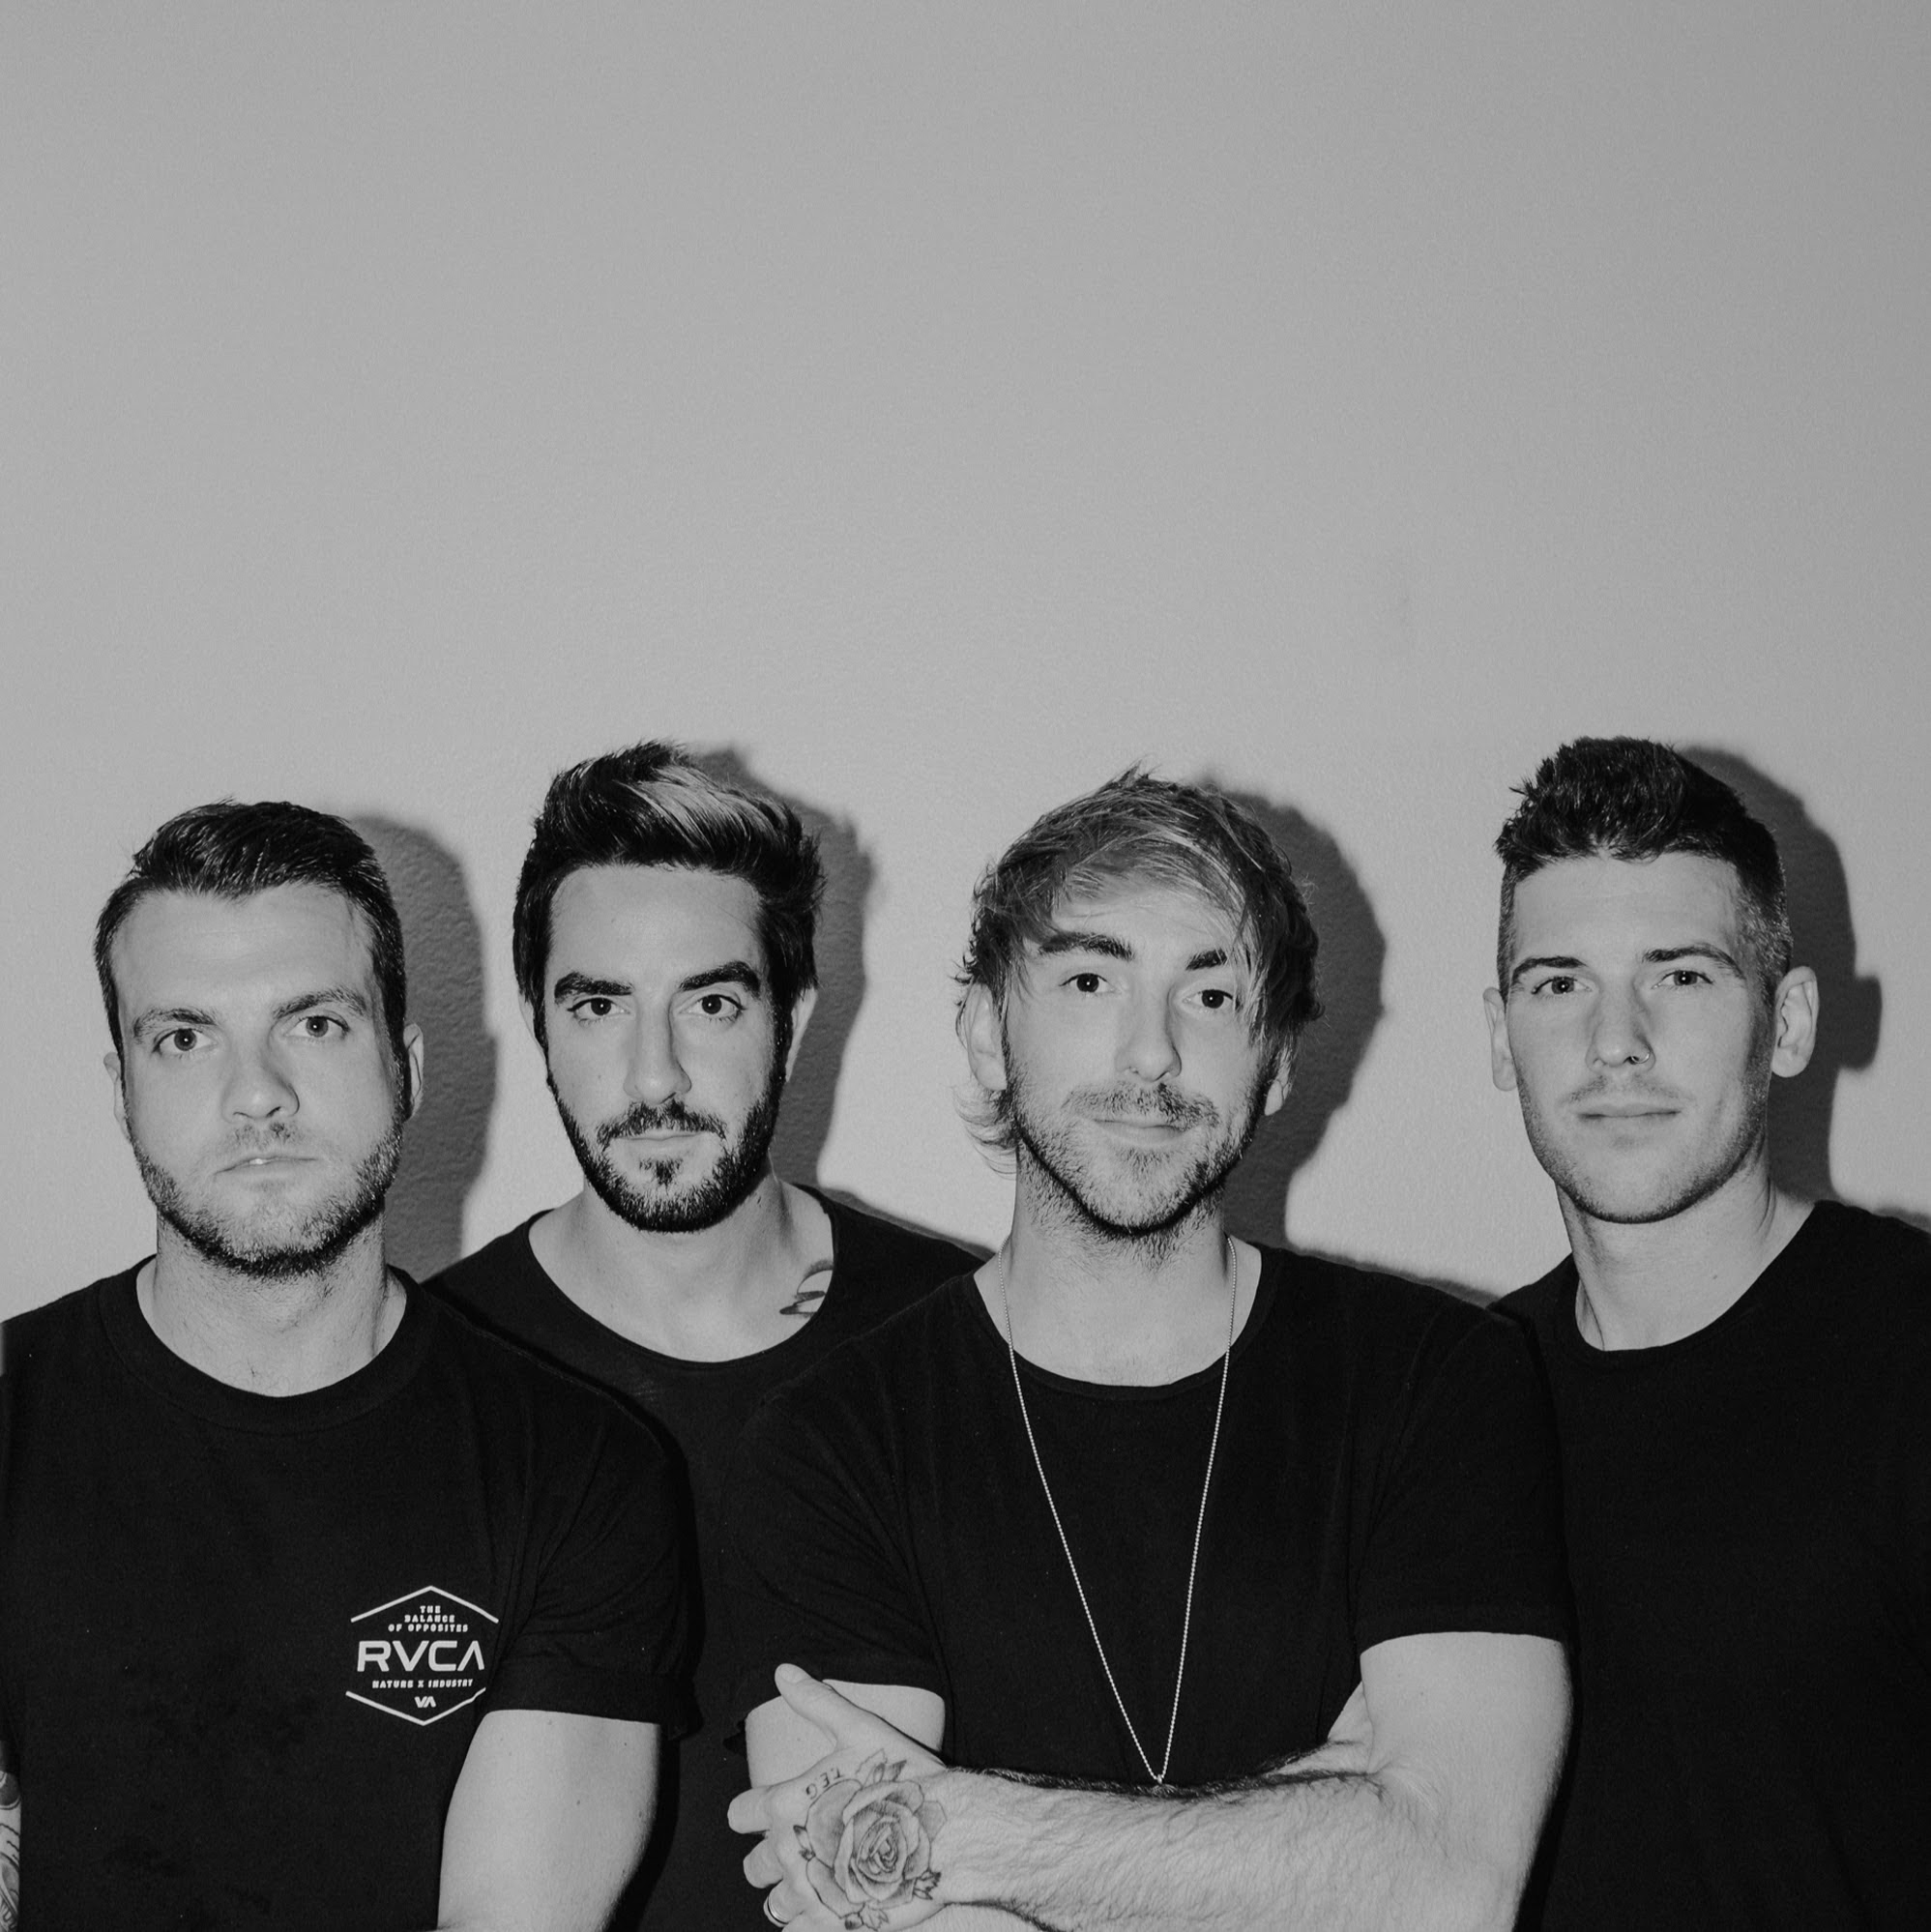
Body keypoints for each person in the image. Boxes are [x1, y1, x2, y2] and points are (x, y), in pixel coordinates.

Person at [725, 771, 1571, 1931]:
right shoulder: (829, 1442)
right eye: (1089, 981)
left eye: (1210, 995)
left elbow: (1447, 1886)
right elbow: (875, 1909)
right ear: (988, 1035)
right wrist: (1325, 1820)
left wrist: (974, 1830)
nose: (1152, 1054)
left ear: (1275, 1060)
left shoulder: (1442, 1380)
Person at [0, 800, 688, 1932]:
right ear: (121, 1090)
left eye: (313, 1023)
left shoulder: (577, 1473)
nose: (255, 1093)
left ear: (404, 1067)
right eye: (184, 1038)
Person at [431, 743, 976, 1931]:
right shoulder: (437, 1370)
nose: (655, 1075)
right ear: (538, 1026)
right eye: (598, 1006)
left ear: (794, 1020)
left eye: (711, 1003)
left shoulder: (964, 1341)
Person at [1484, 736, 1931, 1929]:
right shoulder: (1461, 1400)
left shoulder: (1908, 1350)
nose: (1613, 1040)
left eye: (1679, 976)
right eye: (1557, 983)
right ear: (1498, 1036)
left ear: (1785, 1022)